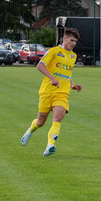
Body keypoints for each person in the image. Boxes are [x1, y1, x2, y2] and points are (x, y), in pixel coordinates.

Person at [20, 28, 82, 157]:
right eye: (71, 40)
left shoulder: (73, 56)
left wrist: (72, 85)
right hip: (47, 91)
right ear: (64, 39)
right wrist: (52, 78)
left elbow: (67, 72)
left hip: (62, 93)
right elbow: (40, 65)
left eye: (75, 41)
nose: (73, 43)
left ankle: (50, 145)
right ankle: (30, 131)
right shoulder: (53, 51)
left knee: (57, 118)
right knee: (40, 122)